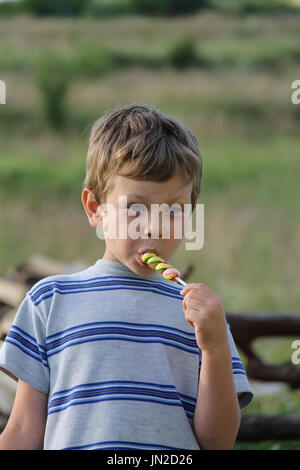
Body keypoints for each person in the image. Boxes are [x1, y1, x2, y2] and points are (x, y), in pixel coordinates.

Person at [0, 103, 253, 450]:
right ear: (95, 208)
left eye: (174, 210)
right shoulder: (50, 301)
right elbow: (24, 430)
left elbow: (217, 441)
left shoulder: (201, 317)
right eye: (135, 208)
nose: (154, 227)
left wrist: (214, 348)